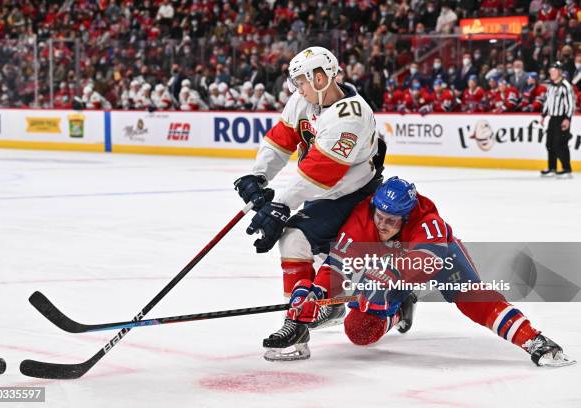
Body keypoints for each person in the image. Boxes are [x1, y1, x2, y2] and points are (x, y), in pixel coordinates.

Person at [264, 177, 575, 368]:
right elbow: (336, 267)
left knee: (476, 301)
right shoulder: (363, 218)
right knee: (358, 330)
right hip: (388, 271)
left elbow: (424, 264)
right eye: (379, 216)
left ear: (407, 216)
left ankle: (533, 340)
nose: (382, 225)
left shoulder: (429, 223)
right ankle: (399, 311)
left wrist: (382, 282)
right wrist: (317, 294)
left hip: (438, 262)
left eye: (391, 220)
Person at [233, 46, 385, 331]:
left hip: (354, 195)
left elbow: (321, 171)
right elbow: (280, 140)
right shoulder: (302, 101)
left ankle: (308, 318)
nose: (297, 88)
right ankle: (307, 316)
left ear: (320, 78)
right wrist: (258, 176)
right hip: (324, 193)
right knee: (295, 241)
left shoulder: (350, 116)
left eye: (301, 81)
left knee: (310, 245)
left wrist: (281, 204)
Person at [541, 61, 576, 178]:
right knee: (549, 144)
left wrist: (567, 119)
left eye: (554, 70)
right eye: (550, 70)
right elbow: (547, 101)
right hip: (552, 118)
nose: (551, 72)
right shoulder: (550, 85)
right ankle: (552, 167)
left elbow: (571, 104)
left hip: (562, 118)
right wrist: (543, 115)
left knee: (560, 144)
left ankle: (567, 169)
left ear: (560, 72)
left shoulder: (566, 85)